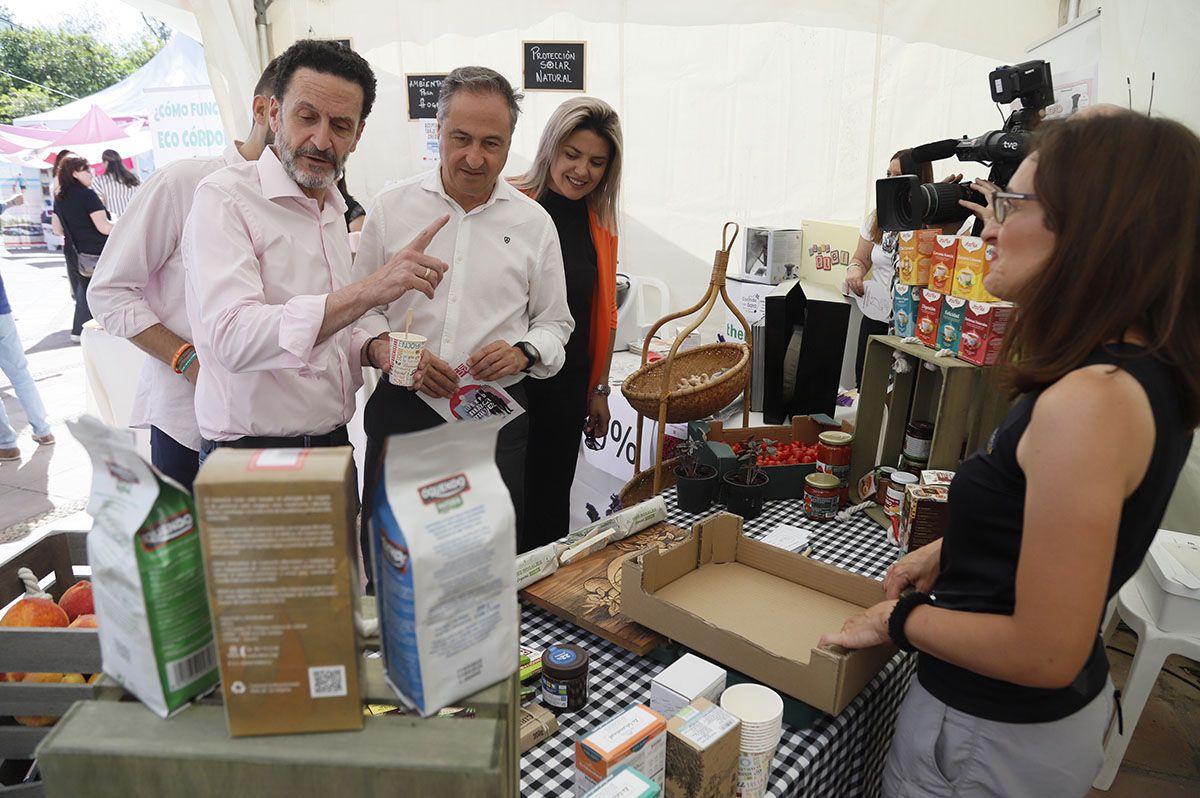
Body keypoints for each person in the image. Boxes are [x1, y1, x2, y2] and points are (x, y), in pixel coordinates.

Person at [821, 110, 1199, 798]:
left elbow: (1045, 652)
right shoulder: (1134, 367)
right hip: (1016, 736)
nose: (989, 227)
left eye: (1013, 203)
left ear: (1098, 227)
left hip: (987, 742)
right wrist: (952, 550)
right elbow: (1053, 528)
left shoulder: (1092, 399)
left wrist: (899, 621)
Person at [183, 39, 447, 460]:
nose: (321, 141)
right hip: (252, 456)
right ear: (273, 113)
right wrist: (370, 289)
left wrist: (372, 348)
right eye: (307, 117)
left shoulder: (330, 208)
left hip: (333, 446)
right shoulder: (225, 198)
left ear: (357, 135)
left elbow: (328, 334)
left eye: (340, 126)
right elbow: (231, 338)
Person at [354, 66, 573, 564]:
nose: (475, 158)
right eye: (461, 138)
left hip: (490, 418)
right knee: (393, 560)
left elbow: (556, 323)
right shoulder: (392, 208)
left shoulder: (533, 223)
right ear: (438, 130)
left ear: (511, 141)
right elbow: (360, 311)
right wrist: (386, 351)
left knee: (483, 566)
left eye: (492, 143)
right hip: (404, 411)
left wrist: (524, 351)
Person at [86, 59, 280, 492]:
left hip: (278, 427)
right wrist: (186, 359)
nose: (318, 138)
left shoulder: (312, 202)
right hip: (190, 423)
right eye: (304, 116)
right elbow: (110, 292)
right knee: (195, 557)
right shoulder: (185, 182)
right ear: (265, 110)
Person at [510, 97, 622, 551]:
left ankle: (540, 606)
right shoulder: (510, 202)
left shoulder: (601, 222)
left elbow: (605, 312)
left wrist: (598, 388)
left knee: (551, 498)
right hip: (507, 379)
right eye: (571, 155)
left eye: (597, 162)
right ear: (549, 150)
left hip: (567, 384)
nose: (581, 171)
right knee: (504, 498)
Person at [844, 151, 961, 385]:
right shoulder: (877, 217)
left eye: (898, 176)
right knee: (866, 383)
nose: (890, 181)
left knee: (902, 392)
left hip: (915, 320)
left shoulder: (933, 219)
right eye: (888, 174)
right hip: (876, 313)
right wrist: (855, 270)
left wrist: (940, 209)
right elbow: (861, 258)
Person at [0, 193, 55, 461]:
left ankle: (7, 443)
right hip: (2, 313)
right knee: (20, 373)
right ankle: (43, 430)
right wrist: (11, 202)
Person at [51, 156, 111, 342]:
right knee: (104, 290)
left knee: (83, 291)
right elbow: (104, 227)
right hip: (97, 250)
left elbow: (57, 229)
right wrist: (126, 226)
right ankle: (97, 328)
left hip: (75, 251)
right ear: (75, 173)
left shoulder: (60, 197)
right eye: (87, 170)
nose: (91, 174)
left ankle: (80, 330)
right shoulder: (87, 195)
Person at [50, 150, 81, 304]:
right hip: (81, 241)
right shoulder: (83, 194)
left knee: (76, 282)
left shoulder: (59, 187)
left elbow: (57, 228)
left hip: (68, 238)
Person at [92, 149, 141, 218]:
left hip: (115, 220)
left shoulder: (99, 181)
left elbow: (100, 202)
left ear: (106, 162)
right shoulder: (134, 178)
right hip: (134, 217)